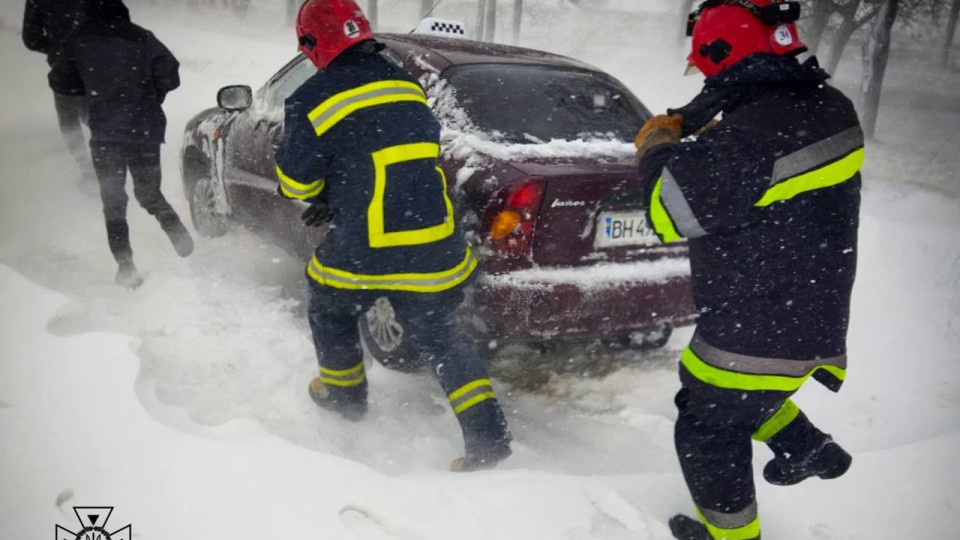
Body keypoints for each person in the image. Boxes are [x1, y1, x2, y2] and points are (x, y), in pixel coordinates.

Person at [633, 1, 863, 538]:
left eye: (711, 68)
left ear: (723, 56)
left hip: (755, 322)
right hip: (808, 311)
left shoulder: (751, 137)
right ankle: (809, 449)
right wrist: (716, 101)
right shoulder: (829, 107)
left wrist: (658, 144)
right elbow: (767, 140)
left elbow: (670, 210)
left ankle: (735, 536)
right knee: (724, 398)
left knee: (705, 431)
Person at [276, 0, 511, 471]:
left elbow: (297, 182)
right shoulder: (405, 83)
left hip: (366, 241)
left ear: (312, 45)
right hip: (432, 235)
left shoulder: (311, 97)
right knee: (442, 337)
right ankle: (489, 437)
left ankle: (344, 395)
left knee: (328, 301)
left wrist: (327, 190)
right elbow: (394, 150)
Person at [48, 0, 194, 288]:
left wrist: (89, 91)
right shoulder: (141, 36)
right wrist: (150, 94)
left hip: (105, 133)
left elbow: (60, 81)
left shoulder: (78, 41)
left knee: (113, 201)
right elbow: (170, 72)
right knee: (148, 192)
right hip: (144, 129)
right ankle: (171, 223)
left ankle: (126, 266)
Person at [22, 0, 97, 184]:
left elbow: (31, 38)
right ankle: (109, 164)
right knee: (96, 115)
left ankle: (87, 170)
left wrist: (56, 47)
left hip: (64, 68)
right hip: (95, 64)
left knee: (69, 121)